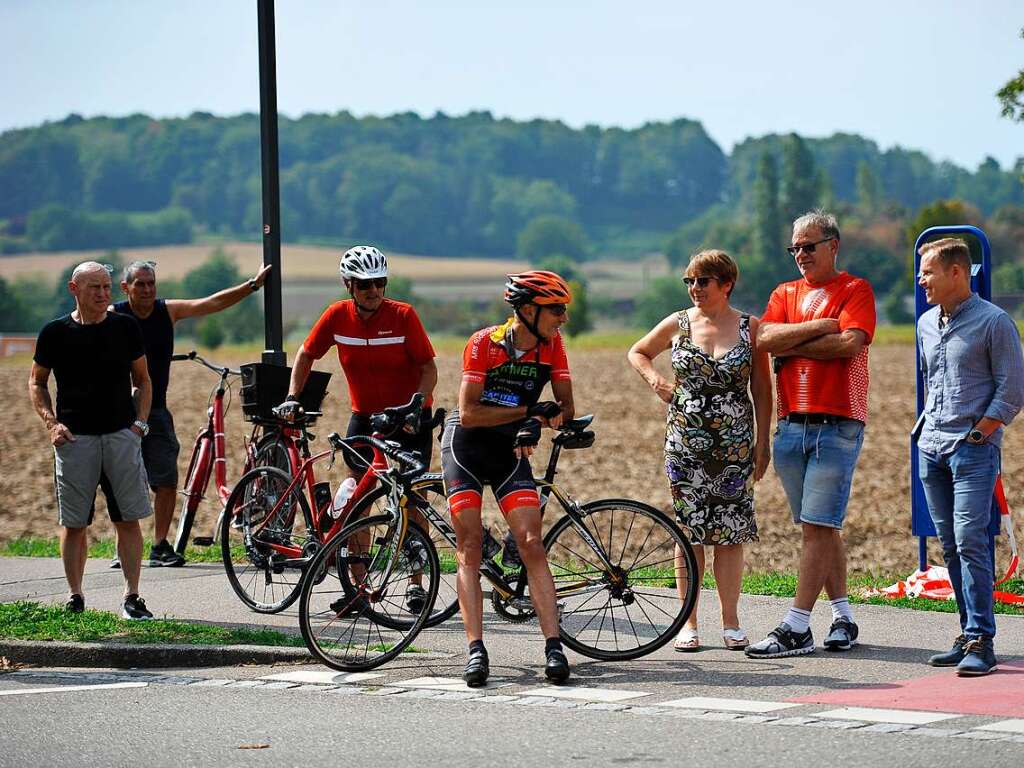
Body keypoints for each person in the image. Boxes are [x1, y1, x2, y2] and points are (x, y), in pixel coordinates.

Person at [746, 209, 876, 659]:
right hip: (792, 426)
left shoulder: (856, 289)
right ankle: (843, 617)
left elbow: (849, 344)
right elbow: (763, 341)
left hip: (838, 422)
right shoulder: (784, 292)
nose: (800, 254)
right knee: (820, 529)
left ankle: (796, 625)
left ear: (833, 245)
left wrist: (793, 343)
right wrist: (821, 327)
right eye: (795, 247)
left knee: (818, 528)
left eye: (809, 245)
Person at [628, 250, 772, 652]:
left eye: (703, 281)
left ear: (726, 285)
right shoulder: (677, 323)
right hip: (685, 443)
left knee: (729, 532)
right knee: (688, 530)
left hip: (734, 445)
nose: (694, 289)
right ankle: (687, 622)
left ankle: (731, 621)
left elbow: (762, 389)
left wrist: (763, 443)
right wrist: (655, 380)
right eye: (689, 281)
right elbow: (637, 352)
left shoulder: (750, 328)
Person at [281, 245, 438, 611]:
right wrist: (293, 395)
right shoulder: (337, 316)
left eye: (380, 283)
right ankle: (359, 585)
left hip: (408, 418)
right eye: (365, 284)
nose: (374, 291)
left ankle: (416, 582)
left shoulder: (403, 316)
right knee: (357, 503)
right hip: (365, 418)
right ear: (348, 284)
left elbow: (429, 367)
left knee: (412, 499)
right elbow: (306, 354)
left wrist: (416, 403)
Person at [442, 270, 576, 686]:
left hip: (508, 450)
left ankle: (554, 646)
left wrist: (547, 417)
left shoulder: (552, 347)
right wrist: (533, 413)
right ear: (529, 310)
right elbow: (470, 414)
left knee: (531, 542)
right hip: (465, 447)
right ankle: (476, 650)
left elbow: (565, 407)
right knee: (470, 544)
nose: (563, 318)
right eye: (556, 309)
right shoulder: (484, 344)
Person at [106, 258, 272, 568]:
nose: (146, 289)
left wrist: (253, 285)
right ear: (125, 287)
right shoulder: (114, 315)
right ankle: (125, 547)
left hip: (155, 408)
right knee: (122, 480)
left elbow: (210, 303)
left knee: (166, 478)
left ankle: (159, 545)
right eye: (140, 284)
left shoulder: (166, 311)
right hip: (117, 411)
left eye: (151, 283)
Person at [915, 237, 1024, 676]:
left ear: (956, 272)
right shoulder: (925, 324)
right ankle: (966, 633)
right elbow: (932, 382)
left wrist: (980, 434)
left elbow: (1013, 389)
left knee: (971, 541)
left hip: (972, 451)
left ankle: (983, 639)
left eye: (928, 272)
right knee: (951, 546)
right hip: (931, 448)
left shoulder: (995, 322)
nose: (922, 279)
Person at [29, 261, 156, 620]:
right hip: (74, 439)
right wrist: (52, 424)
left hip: (121, 436)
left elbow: (143, 380)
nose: (102, 295)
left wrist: (139, 426)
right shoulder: (54, 333)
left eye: (106, 287)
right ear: (74, 289)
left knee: (128, 519)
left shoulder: (125, 328)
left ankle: (133, 596)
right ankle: (75, 596)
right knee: (74, 524)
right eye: (94, 288)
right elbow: (36, 381)